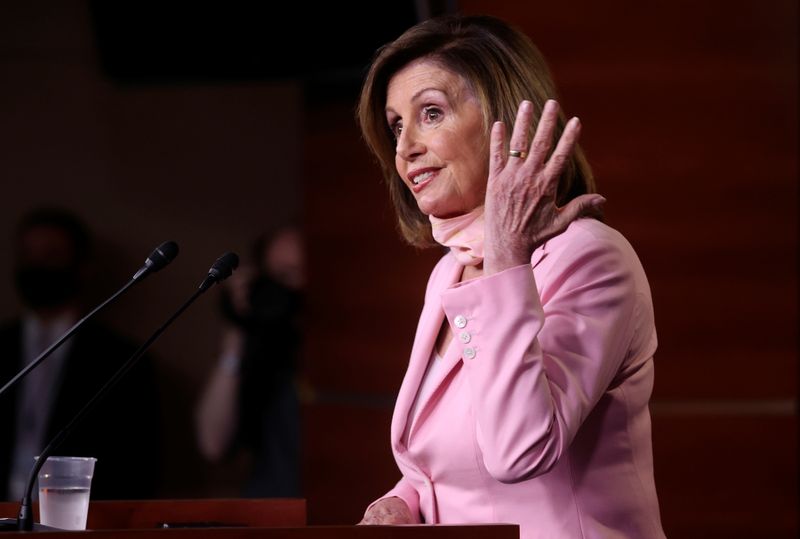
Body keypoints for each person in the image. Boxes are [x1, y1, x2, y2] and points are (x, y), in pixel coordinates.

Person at [355, 15, 665, 538]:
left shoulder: (591, 257)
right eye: (396, 125)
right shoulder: (449, 272)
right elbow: (438, 459)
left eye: (430, 113)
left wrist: (505, 259)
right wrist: (400, 500)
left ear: (504, 118)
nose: (404, 147)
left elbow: (519, 451)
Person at [0, 207, 161, 501]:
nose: (37, 266)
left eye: (51, 256)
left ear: (82, 266)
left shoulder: (121, 359)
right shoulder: (1, 345)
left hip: (77, 519)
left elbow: (136, 464)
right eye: (28, 255)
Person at [195, 226, 304, 497]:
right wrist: (238, 330)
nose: (297, 287)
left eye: (303, 272)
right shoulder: (265, 351)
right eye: (283, 277)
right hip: (274, 511)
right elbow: (213, 444)